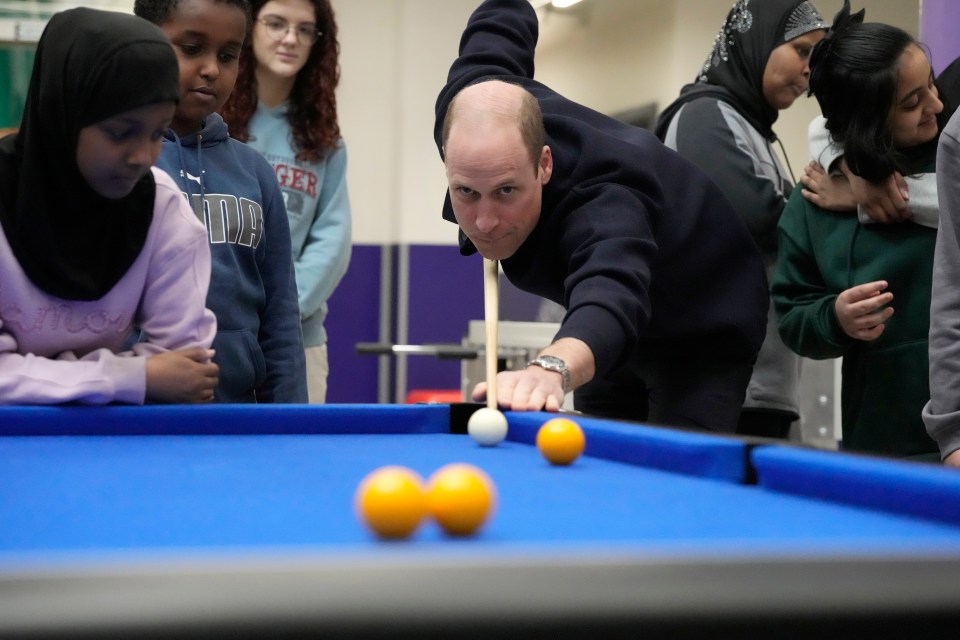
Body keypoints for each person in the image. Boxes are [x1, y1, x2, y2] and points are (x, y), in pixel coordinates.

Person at [434, 0, 769, 433]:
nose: (483, 222)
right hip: (613, 337)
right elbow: (499, 28)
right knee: (601, 457)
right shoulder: (466, 106)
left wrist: (550, 368)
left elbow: (609, 293)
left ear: (544, 165)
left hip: (703, 322)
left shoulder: (604, 199)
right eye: (466, 192)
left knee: (669, 477)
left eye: (506, 190)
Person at [0, 7, 218, 404]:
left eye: (157, 133)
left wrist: (38, 375)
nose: (142, 156)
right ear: (63, 115)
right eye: (121, 132)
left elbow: (185, 368)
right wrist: (130, 376)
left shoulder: (163, 210)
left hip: (107, 444)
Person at [772, 2, 943, 459]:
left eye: (931, 85)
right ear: (865, 122)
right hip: (885, 443)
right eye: (912, 103)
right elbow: (793, 314)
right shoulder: (814, 200)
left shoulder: (954, 154)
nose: (938, 105)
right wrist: (834, 318)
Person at [654, 0, 828, 440]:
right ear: (758, 44)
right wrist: (842, 198)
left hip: (751, 382)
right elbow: (755, 216)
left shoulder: (747, 126)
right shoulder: (703, 116)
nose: (811, 69)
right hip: (722, 384)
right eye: (802, 50)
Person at [134, 0, 308, 403]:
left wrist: (290, 421)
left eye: (228, 55)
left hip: (238, 417)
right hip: (131, 418)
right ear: (142, 45)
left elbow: (280, 317)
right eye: (191, 49)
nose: (212, 68)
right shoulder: (120, 163)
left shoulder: (254, 172)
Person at [220, 0, 351, 404]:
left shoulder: (325, 138)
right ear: (249, 29)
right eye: (276, 24)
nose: (290, 38)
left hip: (300, 341)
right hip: (220, 335)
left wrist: (281, 315)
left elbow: (332, 239)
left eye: (305, 29)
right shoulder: (214, 120)